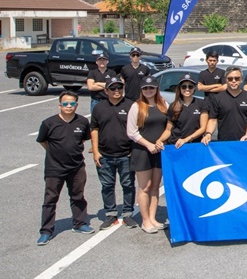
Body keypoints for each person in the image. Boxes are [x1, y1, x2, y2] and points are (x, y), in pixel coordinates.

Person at [36, 91, 94, 245]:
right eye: (66, 103)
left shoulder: (82, 122)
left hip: (76, 167)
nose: (69, 106)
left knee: (78, 196)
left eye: (72, 103)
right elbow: (42, 141)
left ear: (76, 105)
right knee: (50, 199)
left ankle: (79, 223)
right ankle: (46, 231)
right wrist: (54, 153)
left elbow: (83, 140)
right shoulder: (48, 123)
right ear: (60, 105)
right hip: (54, 168)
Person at [91, 76, 138, 230]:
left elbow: (137, 129)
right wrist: (95, 151)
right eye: (113, 88)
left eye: (119, 87)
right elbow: (94, 129)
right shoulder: (99, 108)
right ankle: (110, 214)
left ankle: (128, 214)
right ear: (106, 91)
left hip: (126, 154)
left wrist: (133, 151)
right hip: (105, 155)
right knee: (107, 186)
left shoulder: (131, 105)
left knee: (128, 185)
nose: (117, 91)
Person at [127, 76, 170, 234]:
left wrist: (160, 142)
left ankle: (153, 218)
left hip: (159, 151)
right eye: (145, 88)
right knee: (145, 187)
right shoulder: (136, 106)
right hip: (142, 151)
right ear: (141, 90)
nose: (148, 90)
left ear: (156, 88)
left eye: (151, 87)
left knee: (155, 186)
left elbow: (169, 127)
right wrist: (148, 145)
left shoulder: (164, 104)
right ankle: (145, 221)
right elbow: (131, 132)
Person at [202, 66, 247, 143]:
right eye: (230, 79)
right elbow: (213, 119)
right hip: (224, 143)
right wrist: (208, 134)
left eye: (237, 78)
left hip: (245, 142)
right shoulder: (218, 98)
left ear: (241, 80)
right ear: (226, 80)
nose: (233, 81)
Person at [167, 74, 209, 147]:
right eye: (184, 86)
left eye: (190, 86)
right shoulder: (173, 106)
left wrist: (186, 140)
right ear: (179, 88)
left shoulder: (202, 103)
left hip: (194, 144)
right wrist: (159, 140)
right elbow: (168, 130)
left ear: (194, 88)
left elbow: (203, 128)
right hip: (176, 144)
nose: (187, 89)